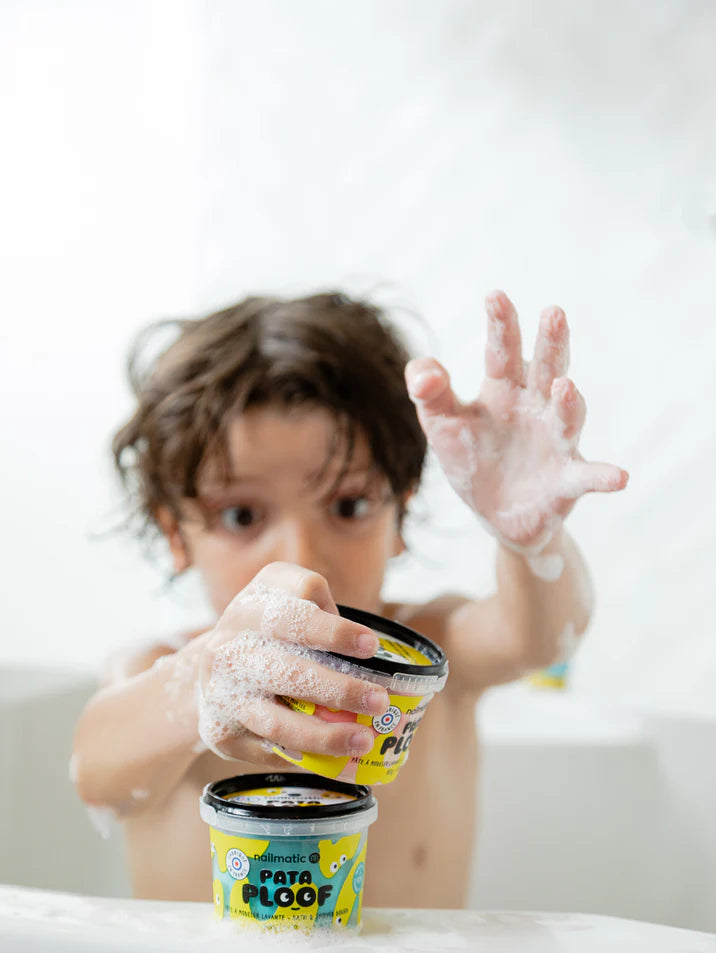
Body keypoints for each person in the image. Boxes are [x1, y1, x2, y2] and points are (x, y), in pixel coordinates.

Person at [72, 289, 628, 908]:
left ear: (400, 514)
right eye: (242, 514)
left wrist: (532, 544)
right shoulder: (163, 667)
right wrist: (198, 689)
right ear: (177, 533)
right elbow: (96, 773)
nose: (301, 555)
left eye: (349, 506)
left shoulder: (431, 653)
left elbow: (541, 637)